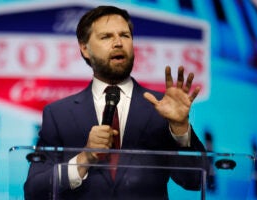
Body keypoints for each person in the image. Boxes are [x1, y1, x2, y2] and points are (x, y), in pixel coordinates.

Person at [24, 5, 206, 199]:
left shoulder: (161, 108)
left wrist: (179, 129)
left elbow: (195, 181)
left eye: (125, 35)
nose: (118, 42)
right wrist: (84, 158)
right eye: (106, 37)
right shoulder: (59, 114)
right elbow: (34, 191)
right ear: (85, 48)